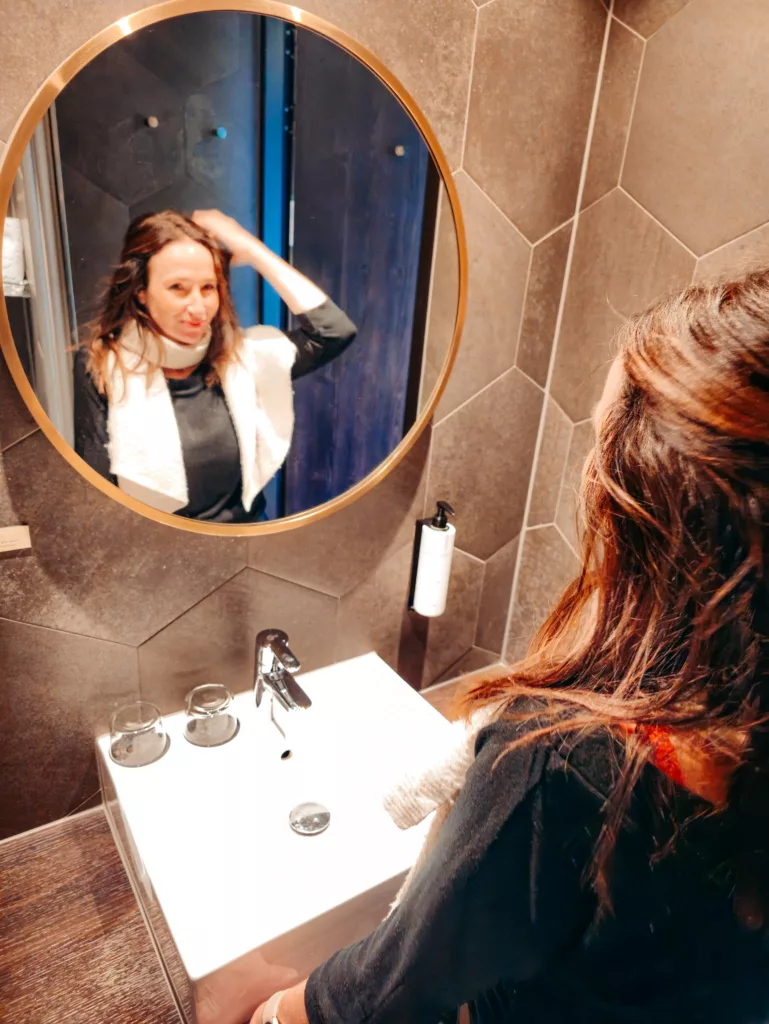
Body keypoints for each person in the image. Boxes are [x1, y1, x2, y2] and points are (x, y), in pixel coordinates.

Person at [252, 271, 769, 1023]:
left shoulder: (561, 765)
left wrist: (272, 1012)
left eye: (598, 446)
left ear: (640, 515)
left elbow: (380, 998)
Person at [74, 210, 357, 522]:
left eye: (208, 288)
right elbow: (98, 496)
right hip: (158, 556)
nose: (197, 307)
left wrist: (254, 250)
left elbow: (333, 331)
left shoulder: (242, 360)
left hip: (249, 548)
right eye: (177, 288)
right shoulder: (104, 366)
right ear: (141, 292)